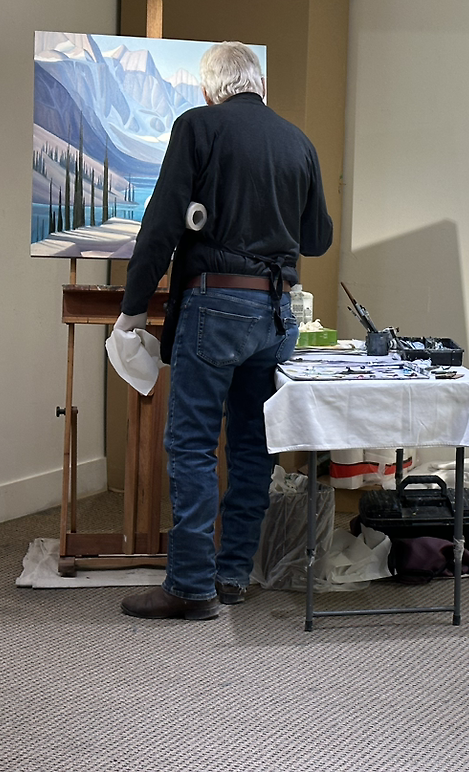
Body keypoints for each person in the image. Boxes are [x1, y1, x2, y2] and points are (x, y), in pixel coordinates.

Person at [116, 41, 332, 620]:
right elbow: (316, 240)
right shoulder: (298, 142)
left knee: (192, 445)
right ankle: (232, 574)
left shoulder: (198, 126)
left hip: (215, 307)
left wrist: (133, 307)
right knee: (251, 446)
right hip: (275, 314)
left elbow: (161, 224)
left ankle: (190, 587)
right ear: (260, 86)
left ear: (210, 90)